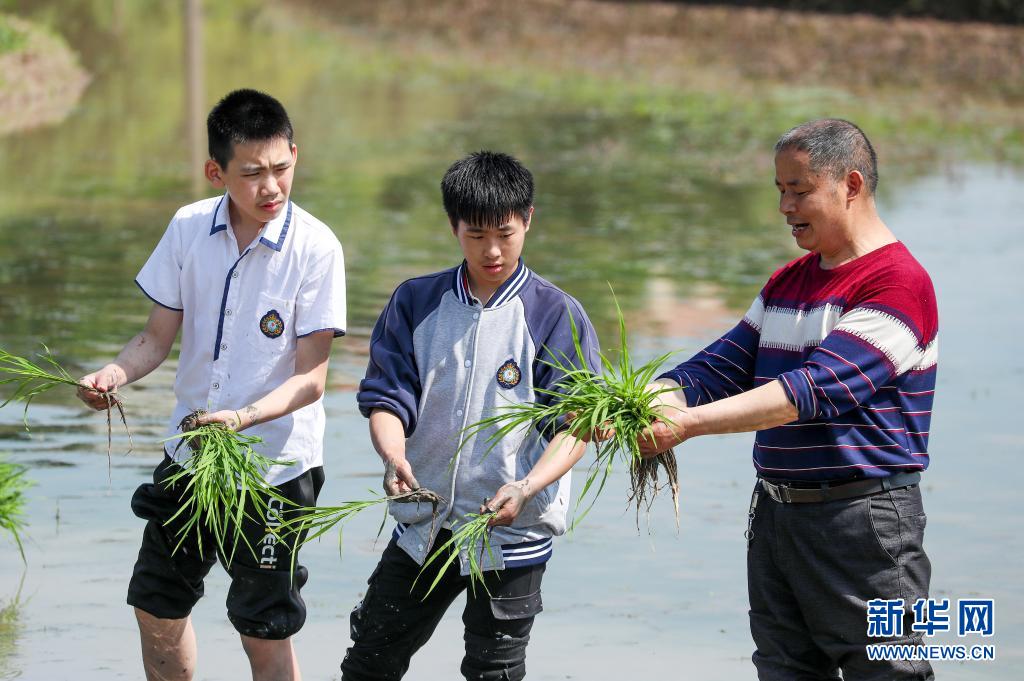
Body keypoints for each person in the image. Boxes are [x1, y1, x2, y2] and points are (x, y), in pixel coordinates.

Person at [636, 119, 937, 680]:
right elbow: (721, 366)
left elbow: (812, 390)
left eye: (799, 191)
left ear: (850, 185)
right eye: (780, 190)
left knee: (889, 672)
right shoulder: (788, 282)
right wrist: (644, 400)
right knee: (784, 670)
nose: (785, 206)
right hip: (777, 514)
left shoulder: (898, 284)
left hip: (863, 522)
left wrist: (688, 425)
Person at [76, 89, 346, 681]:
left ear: (296, 155)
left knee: (262, 625)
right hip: (190, 454)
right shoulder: (188, 227)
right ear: (216, 171)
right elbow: (155, 337)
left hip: (274, 469)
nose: (271, 187)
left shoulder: (317, 248)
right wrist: (112, 375)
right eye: (251, 174)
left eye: (281, 168)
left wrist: (242, 419)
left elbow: (311, 379)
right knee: (156, 603)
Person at [344, 151, 600, 681]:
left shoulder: (556, 315)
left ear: (528, 219)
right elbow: (388, 399)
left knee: (495, 672)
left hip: (512, 533)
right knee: (370, 661)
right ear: (452, 226)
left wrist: (526, 487)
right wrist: (392, 456)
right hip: (424, 523)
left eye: (505, 233)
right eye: (475, 234)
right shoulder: (415, 301)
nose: (491, 251)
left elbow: (574, 428)